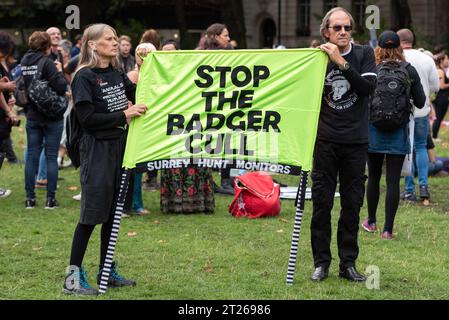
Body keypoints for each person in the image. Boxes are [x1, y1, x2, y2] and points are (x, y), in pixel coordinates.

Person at [63, 23, 147, 295]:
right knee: (91, 216)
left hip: (119, 147)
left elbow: (134, 96)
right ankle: (72, 279)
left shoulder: (115, 72)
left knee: (112, 215)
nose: (114, 42)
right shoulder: (84, 77)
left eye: (115, 38)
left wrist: (143, 68)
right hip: (96, 149)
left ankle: (106, 269)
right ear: (92, 44)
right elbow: (87, 120)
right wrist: (124, 115)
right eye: (109, 39)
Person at [310, 7, 377, 282]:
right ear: (326, 31)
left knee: (352, 205)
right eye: (337, 28)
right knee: (322, 204)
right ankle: (321, 263)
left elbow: (366, 89)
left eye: (347, 27)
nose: (343, 32)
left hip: (355, 142)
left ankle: (348, 263)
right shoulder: (316, 58)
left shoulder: (363, 54)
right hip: (325, 141)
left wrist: (341, 62)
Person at [362, 31, 425, 240]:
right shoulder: (408, 70)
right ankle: (388, 230)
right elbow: (422, 101)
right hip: (398, 131)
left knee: (373, 177)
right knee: (392, 182)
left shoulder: (373, 69)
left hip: (374, 130)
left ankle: (371, 221)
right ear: (399, 48)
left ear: (378, 48)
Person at [21, 31, 67, 209]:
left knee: (31, 156)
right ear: (47, 47)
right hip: (52, 117)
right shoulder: (47, 63)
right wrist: (59, 72)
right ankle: (50, 199)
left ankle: (29, 199)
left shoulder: (24, 61)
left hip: (32, 115)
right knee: (50, 156)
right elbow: (61, 87)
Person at [397, 29, 440, 202]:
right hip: (422, 110)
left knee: (407, 149)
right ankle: (423, 186)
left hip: (402, 110)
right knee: (421, 147)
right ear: (412, 40)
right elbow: (436, 86)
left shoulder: (398, 58)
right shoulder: (427, 59)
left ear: (399, 41)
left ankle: (409, 190)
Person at [196, 23, 234, 195]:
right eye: (225, 35)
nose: (228, 38)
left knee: (228, 142)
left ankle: (226, 180)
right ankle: (209, 181)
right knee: (207, 143)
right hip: (208, 105)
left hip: (226, 105)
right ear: (217, 36)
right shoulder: (200, 54)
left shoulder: (231, 54)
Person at [431, 52, 449, 140]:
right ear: (441, 60)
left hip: (440, 97)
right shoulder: (440, 71)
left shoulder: (439, 70)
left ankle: (434, 135)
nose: (448, 61)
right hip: (442, 97)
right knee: (438, 118)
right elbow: (441, 86)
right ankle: (434, 136)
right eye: (446, 59)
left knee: (438, 117)